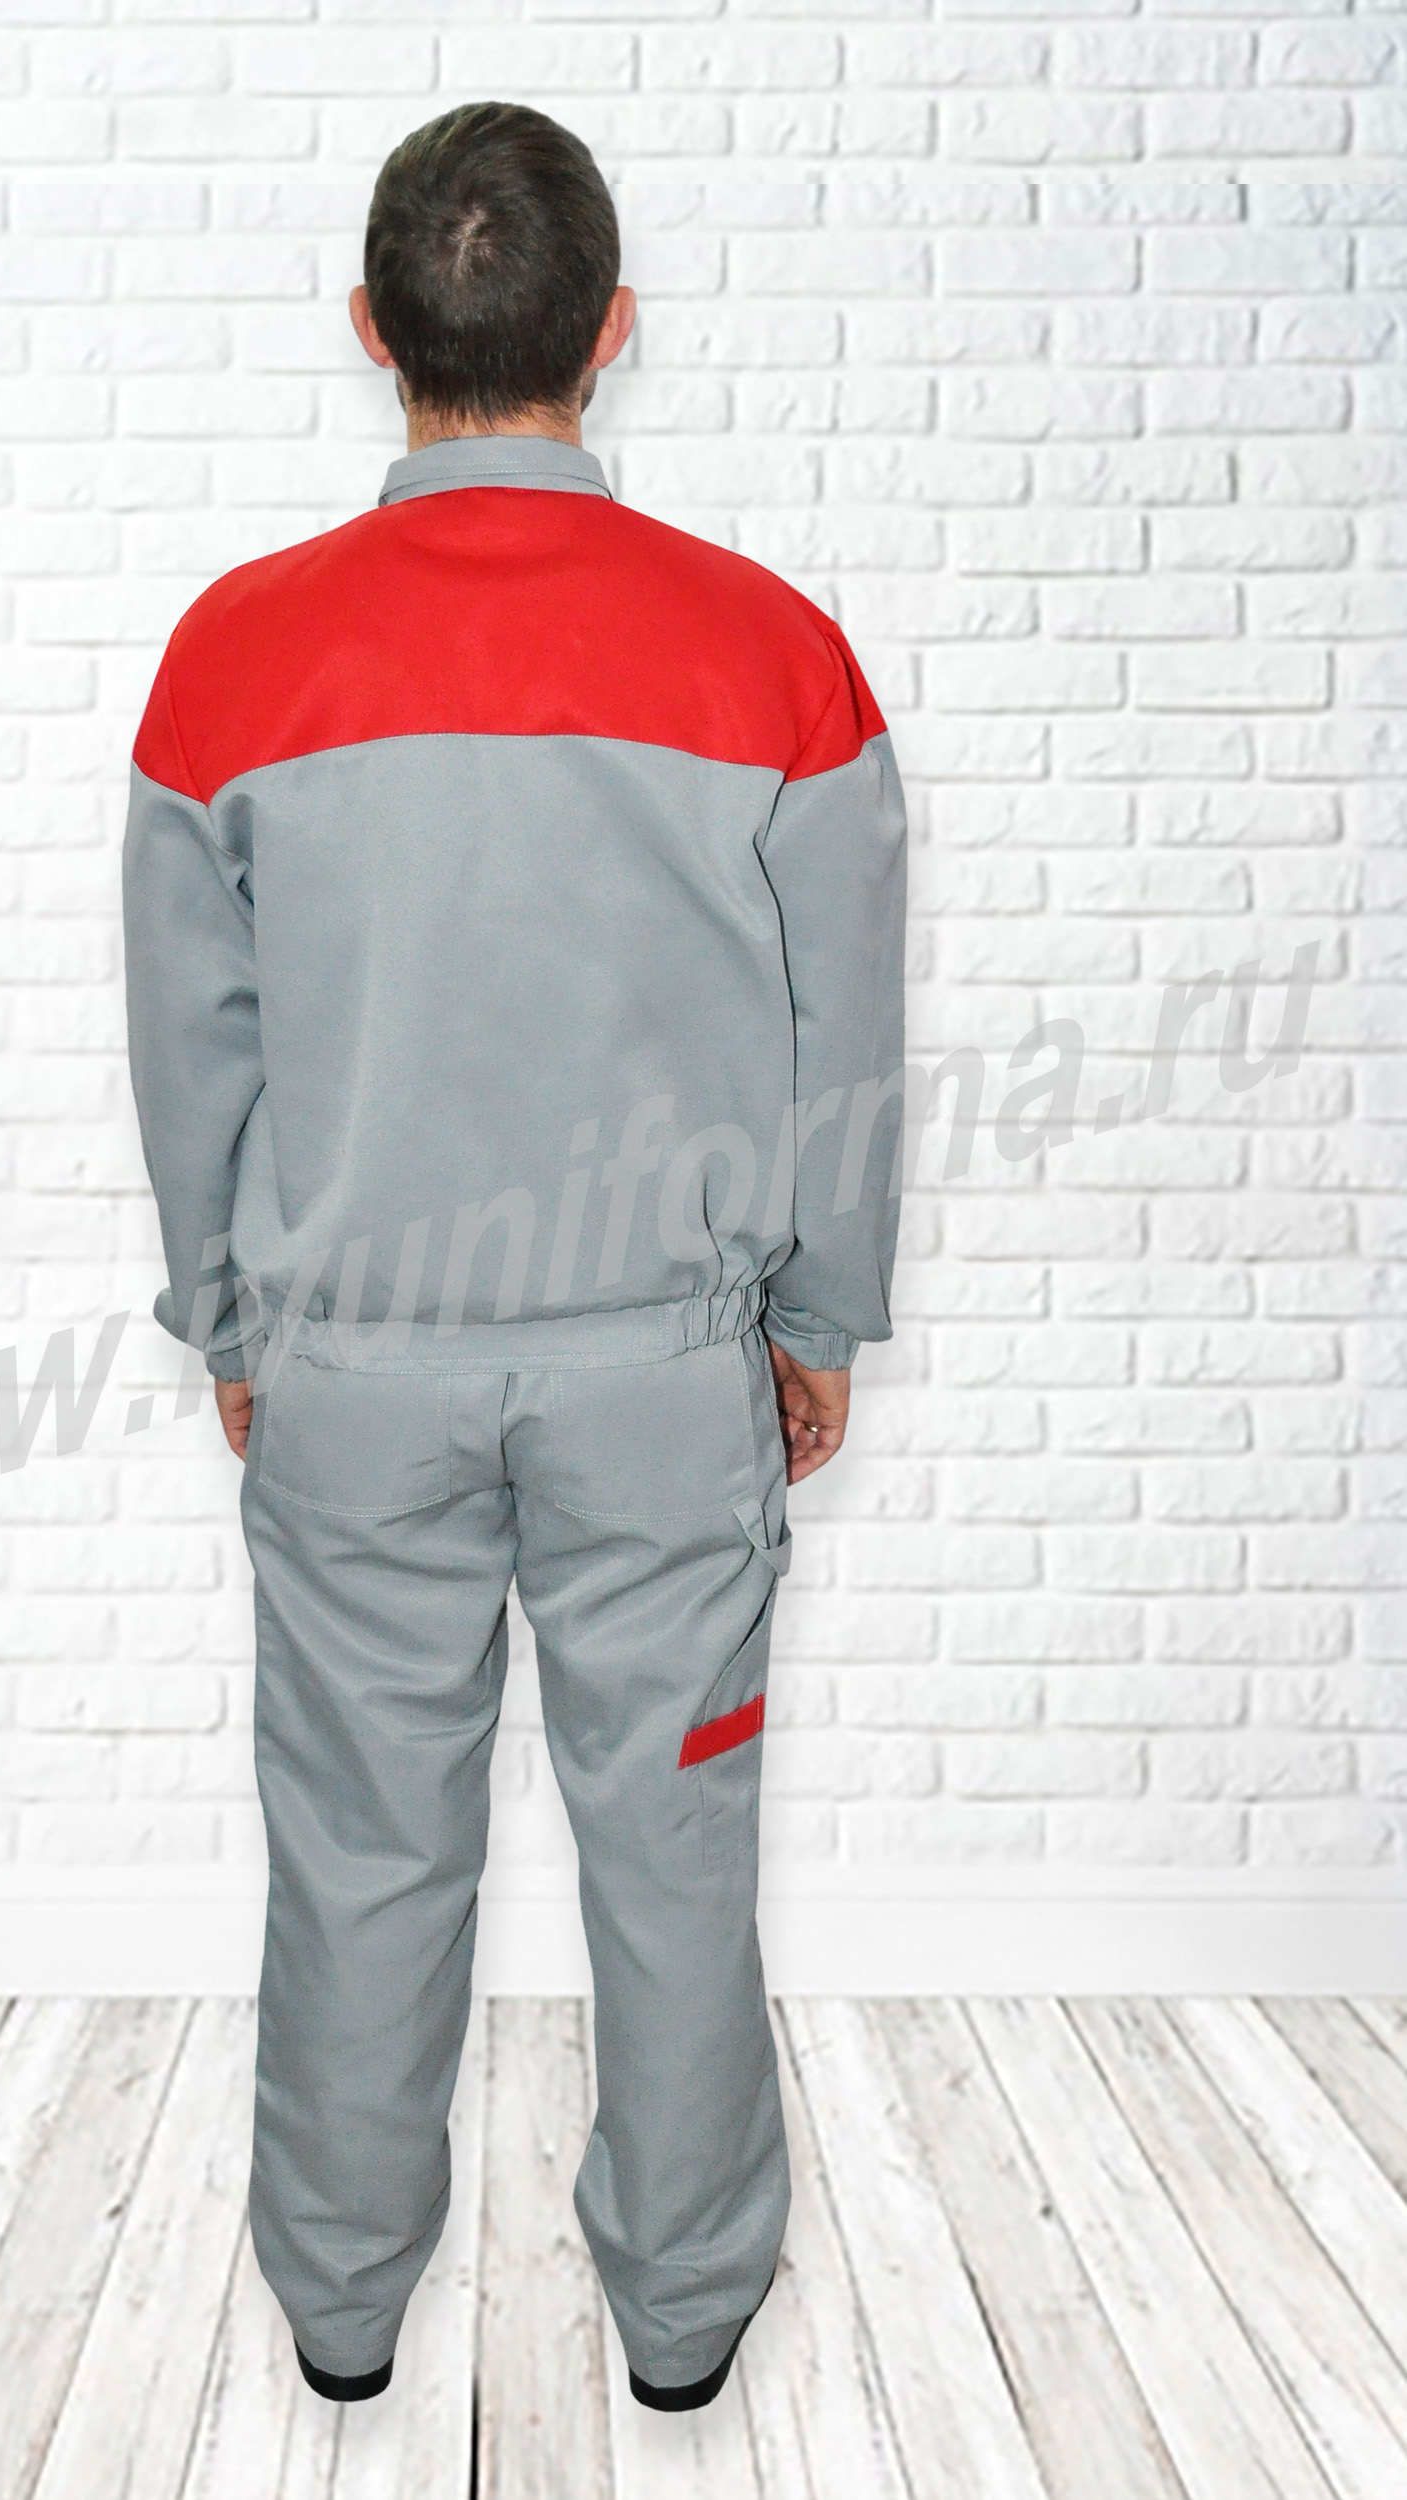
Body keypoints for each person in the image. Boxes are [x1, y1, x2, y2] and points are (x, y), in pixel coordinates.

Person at [121, 99, 907, 2414]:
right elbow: (843, 1033)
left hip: (349, 1371)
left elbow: (190, 1038)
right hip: (664, 1378)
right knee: (674, 1843)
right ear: (614, 329)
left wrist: (229, 1314)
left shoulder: (231, 657)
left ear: (371, 333)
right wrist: (818, 1308)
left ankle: (340, 2302)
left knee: (361, 1845)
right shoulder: (776, 654)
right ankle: (684, 2318)